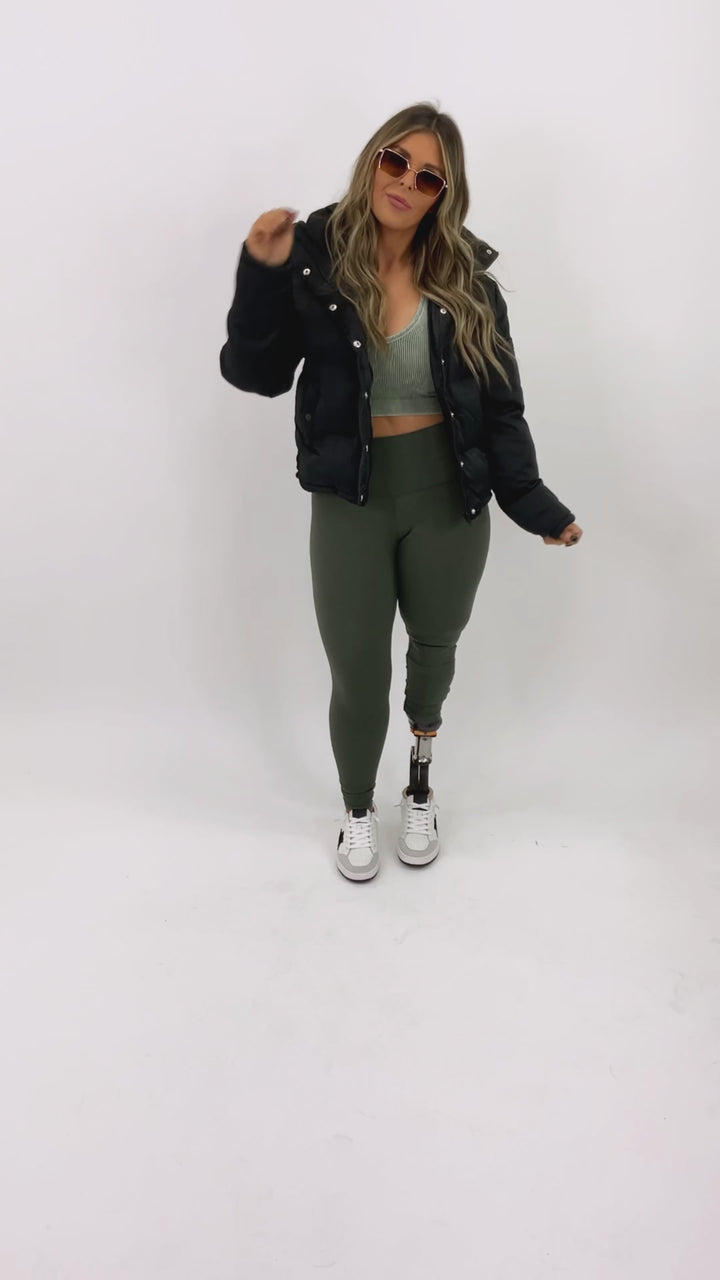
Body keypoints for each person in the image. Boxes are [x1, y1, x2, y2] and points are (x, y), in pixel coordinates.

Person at [219, 101, 582, 884]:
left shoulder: (467, 282)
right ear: (372, 160)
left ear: (443, 195)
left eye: (428, 177)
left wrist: (534, 504)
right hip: (350, 498)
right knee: (357, 670)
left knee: (434, 651)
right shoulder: (315, 261)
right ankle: (357, 809)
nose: (406, 183)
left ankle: (418, 787)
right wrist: (262, 272)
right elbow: (256, 373)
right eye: (396, 161)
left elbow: (501, 407)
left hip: (448, 496)